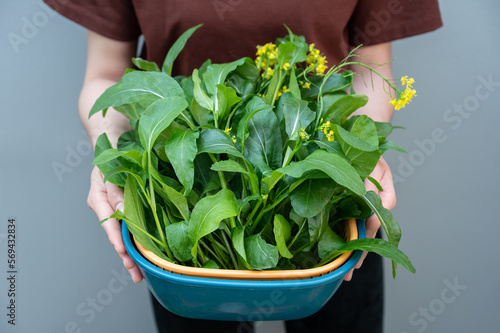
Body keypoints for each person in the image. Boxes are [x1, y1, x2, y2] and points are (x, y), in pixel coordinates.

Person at [44, 1, 442, 332]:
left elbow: (369, 67)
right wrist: (113, 160)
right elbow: (106, 76)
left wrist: (361, 158)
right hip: (183, 188)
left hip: (327, 193)